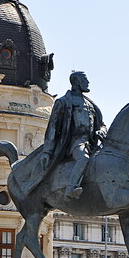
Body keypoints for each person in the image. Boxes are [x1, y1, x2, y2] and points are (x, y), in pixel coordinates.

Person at [35, 71, 106, 199]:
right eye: (85, 80)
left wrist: (101, 131)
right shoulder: (64, 102)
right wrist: (47, 152)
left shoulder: (91, 104)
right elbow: (53, 127)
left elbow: (102, 124)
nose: (88, 82)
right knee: (83, 158)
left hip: (92, 143)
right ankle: (71, 187)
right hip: (74, 142)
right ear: (77, 82)